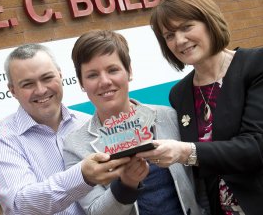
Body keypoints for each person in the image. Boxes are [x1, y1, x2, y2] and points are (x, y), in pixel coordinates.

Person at [137, 0, 263, 215]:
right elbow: (201, 176)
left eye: (186, 27)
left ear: (209, 21)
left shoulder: (256, 65)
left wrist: (185, 152)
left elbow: (255, 147)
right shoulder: (179, 93)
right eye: (169, 35)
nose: (180, 40)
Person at [63, 30, 203, 215]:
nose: (104, 81)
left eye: (113, 70)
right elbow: (95, 211)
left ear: (129, 71)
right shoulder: (75, 145)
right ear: (81, 83)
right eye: (92, 75)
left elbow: (202, 180)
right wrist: (126, 185)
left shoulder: (169, 117)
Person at [0, 43, 132, 215]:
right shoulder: (1, 142)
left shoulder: (88, 123)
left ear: (60, 76)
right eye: (28, 84)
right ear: (13, 91)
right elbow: (21, 204)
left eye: (47, 78)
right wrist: (82, 176)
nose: (41, 90)